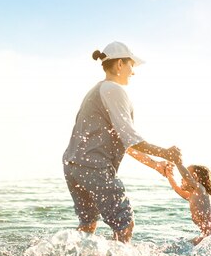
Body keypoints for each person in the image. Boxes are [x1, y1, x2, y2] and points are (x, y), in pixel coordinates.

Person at [62, 41, 181, 243]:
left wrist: (155, 164)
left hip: (74, 166)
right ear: (119, 65)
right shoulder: (113, 90)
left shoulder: (98, 90)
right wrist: (165, 153)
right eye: (131, 65)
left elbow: (126, 143)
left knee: (88, 224)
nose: (133, 72)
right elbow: (131, 139)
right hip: (94, 167)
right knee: (124, 224)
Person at [129, 148, 211, 245]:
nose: (181, 178)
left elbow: (187, 177)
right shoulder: (192, 196)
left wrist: (178, 163)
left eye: (185, 176)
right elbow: (176, 188)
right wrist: (169, 175)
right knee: (187, 245)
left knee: (190, 245)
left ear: (195, 177)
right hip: (208, 232)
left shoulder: (200, 190)